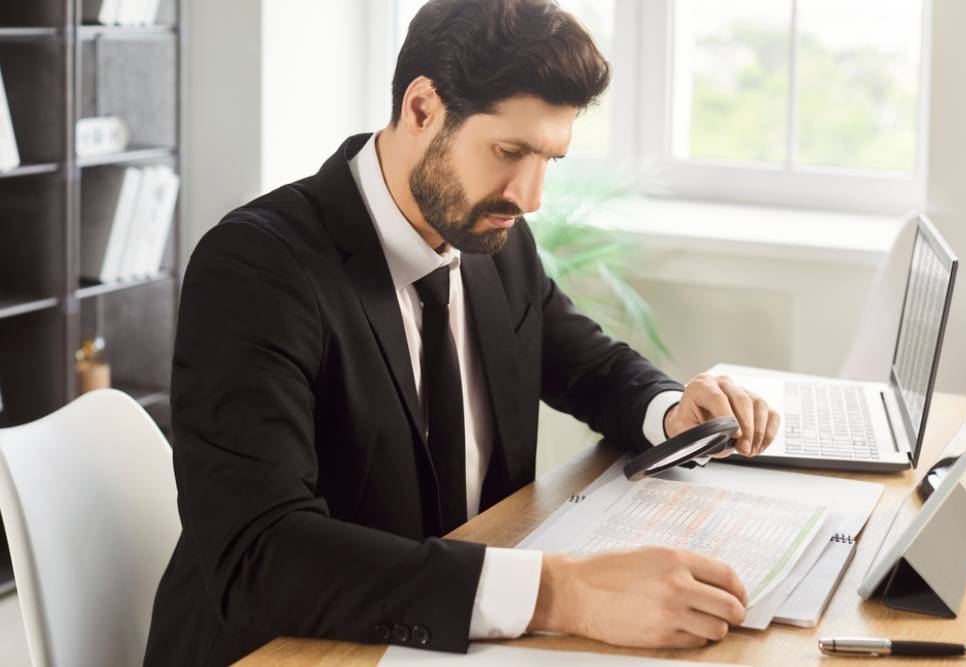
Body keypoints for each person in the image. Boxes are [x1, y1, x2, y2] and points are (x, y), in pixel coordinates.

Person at [143, 1, 780, 664]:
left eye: (549, 159)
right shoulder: (257, 269)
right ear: (422, 108)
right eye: (509, 151)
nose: (530, 196)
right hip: (287, 649)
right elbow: (260, 554)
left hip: (451, 642)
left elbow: (589, 367)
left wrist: (673, 412)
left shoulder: (490, 238)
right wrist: (561, 593)